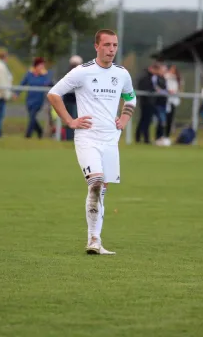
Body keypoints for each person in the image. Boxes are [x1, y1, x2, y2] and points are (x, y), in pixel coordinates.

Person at [47, 29, 136, 255]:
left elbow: (130, 97)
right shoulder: (82, 72)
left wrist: (124, 118)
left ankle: (95, 240)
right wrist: (69, 120)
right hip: (87, 138)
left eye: (115, 45)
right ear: (96, 46)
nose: (111, 50)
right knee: (95, 181)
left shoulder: (122, 73)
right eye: (107, 45)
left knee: (101, 190)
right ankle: (93, 239)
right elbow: (54, 94)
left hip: (110, 140)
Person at [18, 57, 53, 138]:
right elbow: (23, 83)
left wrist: (48, 82)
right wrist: (17, 93)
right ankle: (39, 131)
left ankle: (28, 135)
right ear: (36, 66)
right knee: (32, 117)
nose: (42, 67)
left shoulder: (45, 75)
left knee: (32, 116)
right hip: (29, 99)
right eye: (41, 65)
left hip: (39, 100)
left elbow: (50, 83)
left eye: (43, 65)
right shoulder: (29, 74)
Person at [164, 64, 182, 143]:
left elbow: (179, 88)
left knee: (170, 119)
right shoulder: (166, 77)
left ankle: (167, 136)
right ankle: (162, 136)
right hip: (166, 101)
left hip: (173, 101)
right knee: (164, 119)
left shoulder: (177, 79)